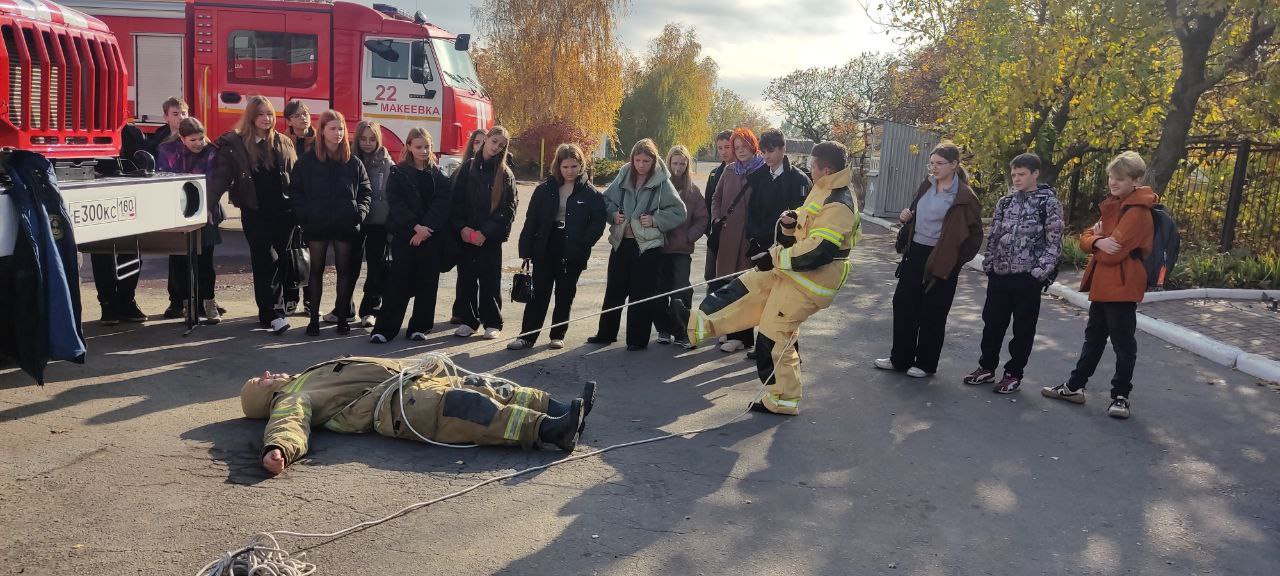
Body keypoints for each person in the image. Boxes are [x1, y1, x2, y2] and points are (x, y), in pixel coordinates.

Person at [670, 141, 860, 415]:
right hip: (793, 272)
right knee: (747, 286)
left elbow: (820, 250)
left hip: (811, 282)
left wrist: (778, 257)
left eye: (812, 166)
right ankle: (697, 324)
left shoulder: (839, 202)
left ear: (825, 169)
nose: (809, 170)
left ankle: (783, 399)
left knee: (774, 335)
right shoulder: (823, 189)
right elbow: (807, 230)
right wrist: (791, 223)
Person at [241, 356, 597, 476]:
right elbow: (289, 422)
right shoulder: (290, 396)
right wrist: (280, 447)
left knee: (488, 386)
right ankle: (551, 431)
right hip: (399, 405)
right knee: (472, 409)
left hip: (412, 378)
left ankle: (559, 408)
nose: (268, 373)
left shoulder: (305, 375)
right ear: (263, 396)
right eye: (261, 380)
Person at [1042, 151, 1156, 419]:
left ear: (1136, 180)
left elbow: (1112, 254)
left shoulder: (1137, 211)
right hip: (1106, 285)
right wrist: (1097, 240)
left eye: (1119, 178)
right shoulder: (1116, 205)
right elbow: (1084, 240)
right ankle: (1075, 386)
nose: (1113, 183)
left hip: (1122, 284)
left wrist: (1098, 242)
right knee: (1093, 338)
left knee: (1122, 342)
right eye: (1110, 178)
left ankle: (1120, 397)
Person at [874, 141, 982, 377]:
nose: (934, 168)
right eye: (932, 163)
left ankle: (925, 363)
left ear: (954, 164)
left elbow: (975, 235)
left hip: (942, 259)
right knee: (903, 304)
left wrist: (956, 260)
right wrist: (907, 217)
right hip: (916, 253)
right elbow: (915, 214)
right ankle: (899, 358)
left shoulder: (964, 196)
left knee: (933, 312)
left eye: (940, 163)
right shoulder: (926, 185)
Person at [963, 153, 1064, 393]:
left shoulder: (1047, 202)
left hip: (1027, 277)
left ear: (1035, 174)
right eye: (1014, 174)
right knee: (992, 323)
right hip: (1000, 274)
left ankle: (1013, 373)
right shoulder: (1005, 202)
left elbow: (1054, 241)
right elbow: (995, 235)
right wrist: (988, 263)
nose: (1016, 179)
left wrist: (1039, 272)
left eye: (1021, 174)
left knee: (1023, 328)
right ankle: (986, 367)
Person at [208, 96, 298, 334]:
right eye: (260, 114)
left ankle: (269, 312)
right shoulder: (235, 144)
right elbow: (220, 177)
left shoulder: (284, 142)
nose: (266, 119)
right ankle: (272, 313)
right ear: (251, 117)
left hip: (284, 213)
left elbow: (297, 178)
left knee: (281, 261)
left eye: (269, 114)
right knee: (264, 260)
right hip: (254, 212)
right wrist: (208, 204)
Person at [587, 138, 687, 351]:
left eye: (646, 161)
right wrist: (613, 214)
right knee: (614, 290)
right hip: (622, 242)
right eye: (637, 160)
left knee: (641, 294)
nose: (641, 165)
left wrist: (655, 220)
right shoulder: (625, 173)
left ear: (653, 161)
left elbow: (679, 212)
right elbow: (606, 200)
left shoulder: (662, 181)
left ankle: (637, 339)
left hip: (648, 247)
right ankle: (606, 334)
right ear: (632, 159)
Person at [509, 144, 607, 351]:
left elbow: (597, 224)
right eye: (565, 167)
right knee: (539, 294)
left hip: (573, 249)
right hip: (546, 245)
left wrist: (583, 244)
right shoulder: (544, 190)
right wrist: (525, 249)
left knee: (565, 294)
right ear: (558, 166)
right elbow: (531, 220)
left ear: (581, 165)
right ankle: (527, 337)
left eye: (574, 166)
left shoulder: (592, 194)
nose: (570, 171)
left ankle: (557, 334)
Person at [290, 109, 372, 337]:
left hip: (346, 224)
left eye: (341, 128)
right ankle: (313, 319)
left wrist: (359, 213)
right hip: (316, 225)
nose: (338, 133)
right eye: (333, 128)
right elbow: (295, 191)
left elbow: (366, 190)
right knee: (315, 271)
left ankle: (342, 319)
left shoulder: (352, 161)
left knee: (344, 272)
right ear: (322, 131)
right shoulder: (308, 161)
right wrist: (304, 215)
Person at [370, 127, 453, 343]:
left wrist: (425, 229)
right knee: (398, 283)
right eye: (418, 147)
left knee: (427, 283)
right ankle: (385, 329)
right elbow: (396, 204)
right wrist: (415, 227)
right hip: (405, 236)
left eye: (427, 146)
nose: (424, 151)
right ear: (408, 147)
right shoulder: (398, 173)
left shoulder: (439, 175)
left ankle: (420, 327)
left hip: (431, 237)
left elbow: (442, 205)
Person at [744, 129, 811, 359]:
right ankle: (763, 347)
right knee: (764, 298)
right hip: (762, 247)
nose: (767, 156)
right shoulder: (760, 176)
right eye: (763, 152)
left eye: (771, 151)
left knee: (786, 304)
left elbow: (804, 217)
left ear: (783, 149)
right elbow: (751, 212)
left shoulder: (799, 180)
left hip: (786, 250)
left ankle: (791, 350)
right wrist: (752, 238)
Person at [451, 126, 517, 340]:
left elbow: (508, 209)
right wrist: (463, 228)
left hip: (489, 239)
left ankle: (492, 321)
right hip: (466, 235)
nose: (496, 147)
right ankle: (469, 321)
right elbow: (455, 202)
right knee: (467, 279)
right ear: (486, 139)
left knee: (490, 281)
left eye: (501, 145)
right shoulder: (467, 168)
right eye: (494, 141)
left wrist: (485, 233)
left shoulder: (505, 173)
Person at [157, 117, 224, 324]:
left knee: (206, 262)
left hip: (206, 211)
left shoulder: (211, 151)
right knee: (181, 262)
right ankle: (187, 305)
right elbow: (163, 179)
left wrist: (210, 206)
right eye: (193, 140)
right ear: (182, 139)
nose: (198, 144)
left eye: (201, 139)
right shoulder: (168, 151)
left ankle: (209, 303)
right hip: (180, 211)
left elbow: (215, 181)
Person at [330, 121, 396, 328]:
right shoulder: (348, 159)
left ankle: (370, 310)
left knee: (376, 267)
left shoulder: (387, 162)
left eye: (372, 138)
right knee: (349, 266)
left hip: (379, 222)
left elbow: (392, 195)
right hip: (353, 221)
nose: (368, 143)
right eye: (363, 138)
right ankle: (344, 308)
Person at [710, 128, 766, 355]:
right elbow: (716, 197)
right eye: (737, 148)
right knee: (727, 286)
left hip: (749, 239)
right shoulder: (730, 170)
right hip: (727, 237)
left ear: (753, 146)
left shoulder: (763, 171)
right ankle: (730, 330)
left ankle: (742, 338)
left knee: (745, 288)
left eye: (745, 147)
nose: (740, 151)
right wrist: (715, 218)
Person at [90, 125, 148, 325]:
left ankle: (126, 301)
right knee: (101, 254)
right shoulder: (90, 131)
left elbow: (142, 162)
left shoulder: (131, 133)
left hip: (127, 198)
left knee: (132, 252)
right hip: (97, 198)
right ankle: (107, 304)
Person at [653, 145, 708, 348]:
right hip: (659, 247)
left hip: (681, 250)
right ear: (668, 162)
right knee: (659, 291)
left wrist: (689, 236)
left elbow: (702, 218)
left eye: (682, 164)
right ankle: (664, 329)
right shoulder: (658, 186)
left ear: (688, 165)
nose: (678, 167)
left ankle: (682, 330)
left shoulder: (693, 190)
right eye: (675, 163)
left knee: (681, 290)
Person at [449, 128, 488, 326]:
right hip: (463, 232)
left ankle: (485, 314)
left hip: (485, 234)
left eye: (484, 141)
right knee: (465, 275)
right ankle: (462, 311)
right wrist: (462, 227)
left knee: (485, 277)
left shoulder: (497, 171)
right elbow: (454, 202)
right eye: (476, 142)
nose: (480, 146)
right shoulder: (462, 169)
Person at [703, 130, 734, 286]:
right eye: (720, 148)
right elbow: (708, 203)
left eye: (727, 147)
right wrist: (709, 230)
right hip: (716, 231)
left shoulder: (745, 172)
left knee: (730, 277)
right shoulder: (714, 174)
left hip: (735, 232)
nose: (723, 152)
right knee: (711, 274)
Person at [145, 96, 188, 161]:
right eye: (175, 114)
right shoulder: (160, 134)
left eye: (184, 113)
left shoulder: (194, 134)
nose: (181, 117)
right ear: (166, 117)